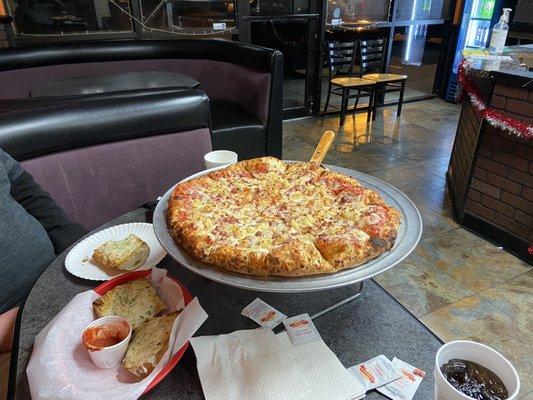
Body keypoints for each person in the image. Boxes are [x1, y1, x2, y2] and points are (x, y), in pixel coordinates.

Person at [0, 148, 87, 396]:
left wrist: (69, 239)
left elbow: (18, 182)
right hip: (11, 342)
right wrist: (30, 318)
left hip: (63, 279)